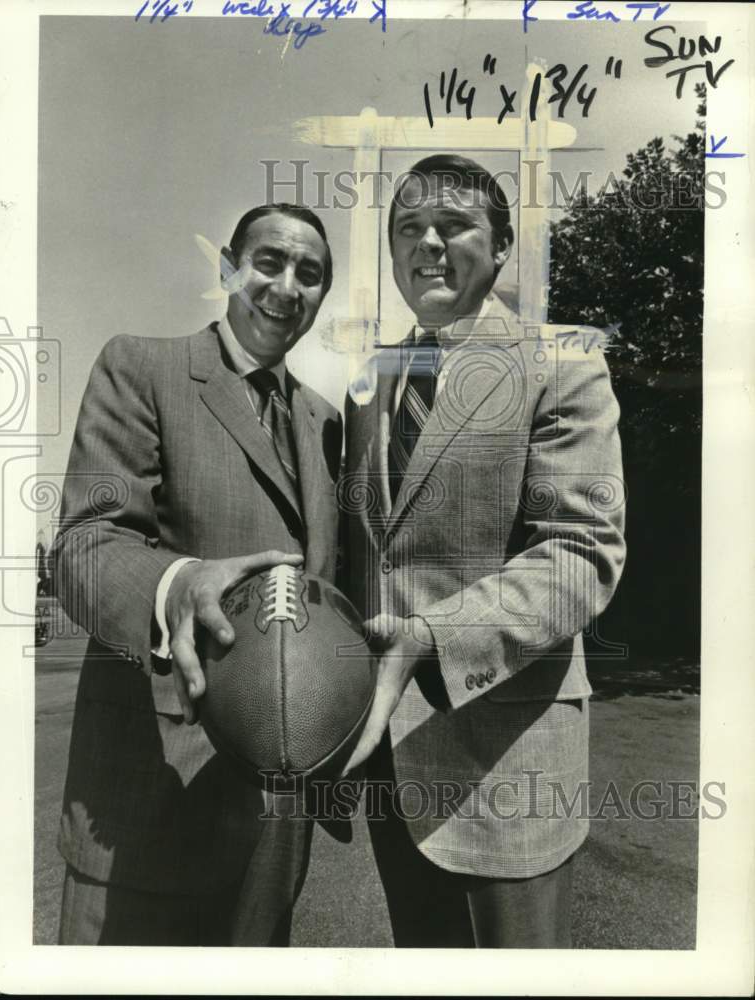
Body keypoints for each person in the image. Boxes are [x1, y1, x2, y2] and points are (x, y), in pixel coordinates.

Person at [340, 154, 626, 947]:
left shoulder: (562, 360)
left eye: (453, 225)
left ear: (500, 247)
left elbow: (582, 553)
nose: (427, 243)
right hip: (391, 771)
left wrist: (433, 637)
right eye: (408, 228)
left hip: (511, 767)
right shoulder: (369, 385)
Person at [52, 203, 342, 946]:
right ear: (227, 269)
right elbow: (84, 547)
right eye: (268, 262)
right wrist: (176, 585)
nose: (287, 287)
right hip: (146, 811)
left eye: (310, 274)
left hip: (275, 823)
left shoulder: (324, 422)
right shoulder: (141, 366)